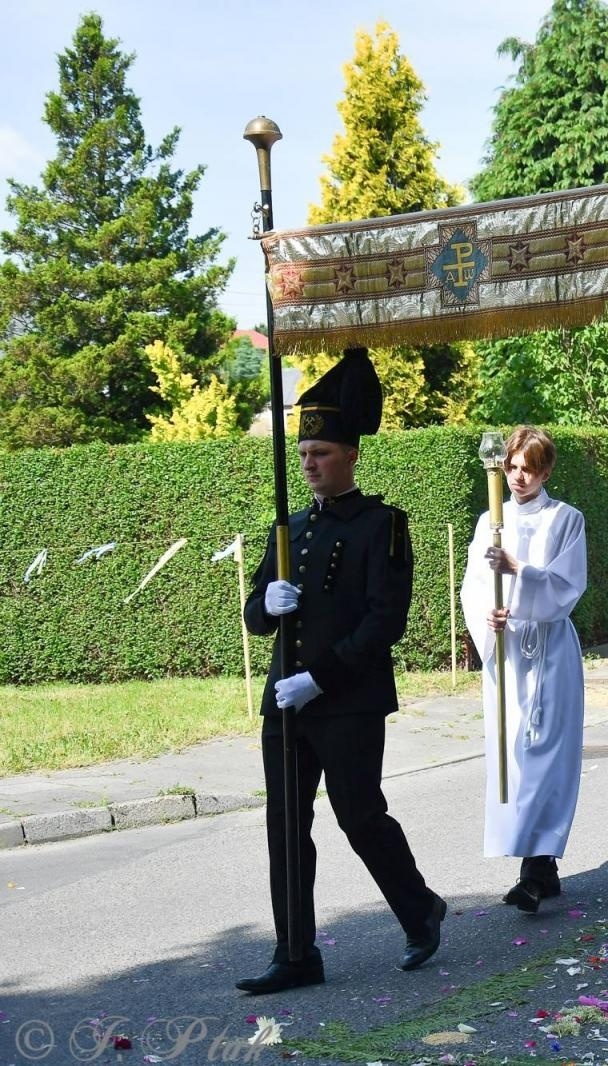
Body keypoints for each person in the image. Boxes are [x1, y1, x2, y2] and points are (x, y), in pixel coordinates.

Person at [237, 348, 445, 995]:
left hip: (347, 702)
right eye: (303, 456)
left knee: (359, 815)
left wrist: (320, 677)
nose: (309, 465)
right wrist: (264, 608)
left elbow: (385, 622)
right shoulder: (287, 529)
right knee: (286, 828)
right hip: (286, 706)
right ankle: (296, 952)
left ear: (351, 454)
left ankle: (420, 910)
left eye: (320, 454)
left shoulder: (382, 527)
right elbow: (253, 614)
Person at [461, 425, 587, 914]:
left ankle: (536, 866)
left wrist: (521, 573)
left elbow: (568, 584)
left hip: (550, 650)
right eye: (511, 467)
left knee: (547, 756)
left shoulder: (566, 519)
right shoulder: (488, 521)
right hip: (507, 651)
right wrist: (486, 615)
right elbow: (473, 584)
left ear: (546, 471)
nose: (517, 477)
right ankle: (540, 865)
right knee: (513, 753)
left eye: (528, 469)